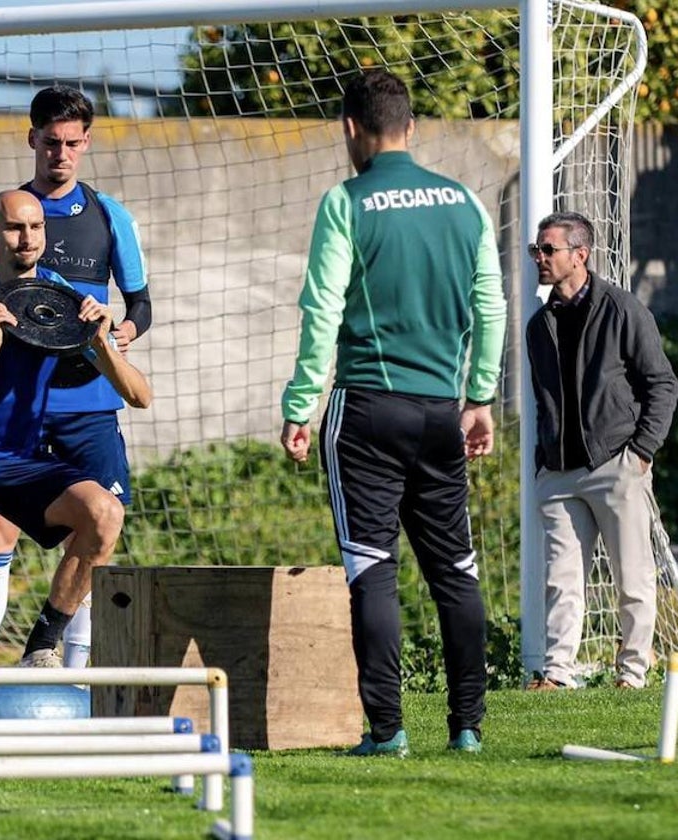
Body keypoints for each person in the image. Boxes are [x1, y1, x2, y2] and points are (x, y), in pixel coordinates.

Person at [279, 70, 507, 756]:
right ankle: (467, 727)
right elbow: (490, 306)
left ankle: (388, 731)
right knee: (456, 570)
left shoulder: (347, 202)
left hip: (368, 410)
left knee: (370, 565)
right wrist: (482, 398)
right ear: (411, 126)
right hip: (443, 410)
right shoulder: (464, 201)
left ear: (352, 127)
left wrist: (299, 405)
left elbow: (322, 309)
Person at [0, 189, 152, 669]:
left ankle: (42, 647)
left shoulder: (61, 300)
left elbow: (141, 397)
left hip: (20, 459)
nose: (28, 239)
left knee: (104, 513)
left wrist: (100, 341)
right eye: (15, 228)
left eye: (36, 228)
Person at [0, 85, 151, 668]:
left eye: (71, 143)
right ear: (31, 139)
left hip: (89, 405)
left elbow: (140, 305)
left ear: (86, 143)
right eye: (49, 142)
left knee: (96, 533)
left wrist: (120, 334)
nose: (60, 154)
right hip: (17, 405)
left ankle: (73, 670)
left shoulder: (110, 217)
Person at [525, 212, 677, 691]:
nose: (540, 259)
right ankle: (557, 674)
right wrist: (541, 461)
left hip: (617, 464)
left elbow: (662, 383)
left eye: (548, 250)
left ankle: (632, 675)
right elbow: (541, 400)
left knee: (632, 579)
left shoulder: (623, 309)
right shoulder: (538, 325)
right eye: (537, 250)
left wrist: (642, 452)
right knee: (561, 580)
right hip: (558, 472)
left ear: (580, 255)